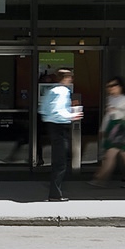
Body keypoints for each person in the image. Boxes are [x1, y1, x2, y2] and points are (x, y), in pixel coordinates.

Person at [38, 67, 81, 201]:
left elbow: (43, 109)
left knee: (58, 159)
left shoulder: (51, 90)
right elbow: (58, 111)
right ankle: (55, 194)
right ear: (66, 78)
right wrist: (72, 115)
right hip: (60, 127)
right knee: (60, 162)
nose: (70, 80)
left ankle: (55, 192)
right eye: (70, 77)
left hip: (52, 126)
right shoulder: (62, 91)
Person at [92, 77, 125, 186]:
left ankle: (100, 177)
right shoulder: (110, 99)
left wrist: (117, 110)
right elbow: (108, 115)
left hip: (122, 126)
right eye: (109, 86)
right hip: (113, 125)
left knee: (111, 153)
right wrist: (103, 129)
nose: (111, 88)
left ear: (120, 86)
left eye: (113, 85)